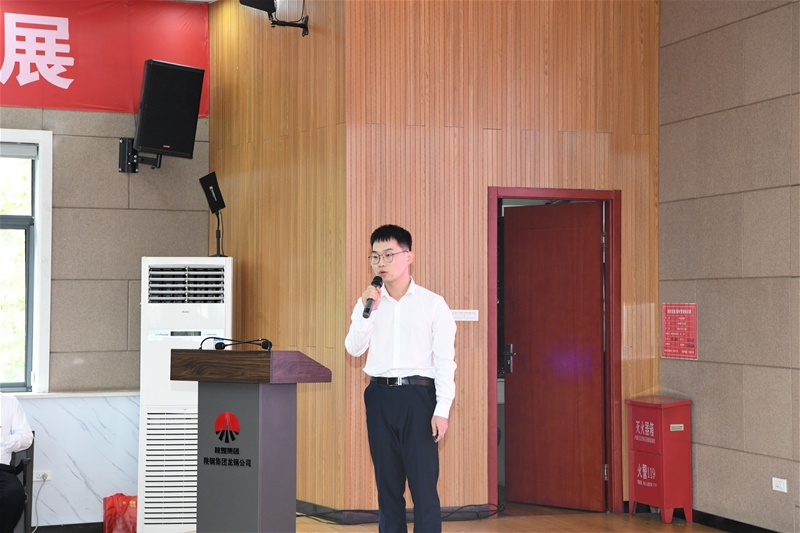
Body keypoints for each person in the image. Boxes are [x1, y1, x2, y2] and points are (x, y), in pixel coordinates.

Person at [345, 224, 457, 533]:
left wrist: (442, 410)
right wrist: (368, 311)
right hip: (379, 396)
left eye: (388, 254)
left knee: (423, 486)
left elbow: (445, 362)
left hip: (418, 398)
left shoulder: (432, 304)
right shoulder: (368, 303)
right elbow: (354, 349)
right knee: (387, 485)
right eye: (375, 256)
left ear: (408, 256)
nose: (380, 262)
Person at [0, 393, 33, 533]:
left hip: (1, 469)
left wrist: (3, 439)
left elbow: (26, 438)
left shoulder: (9, 402)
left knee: (14, 494)